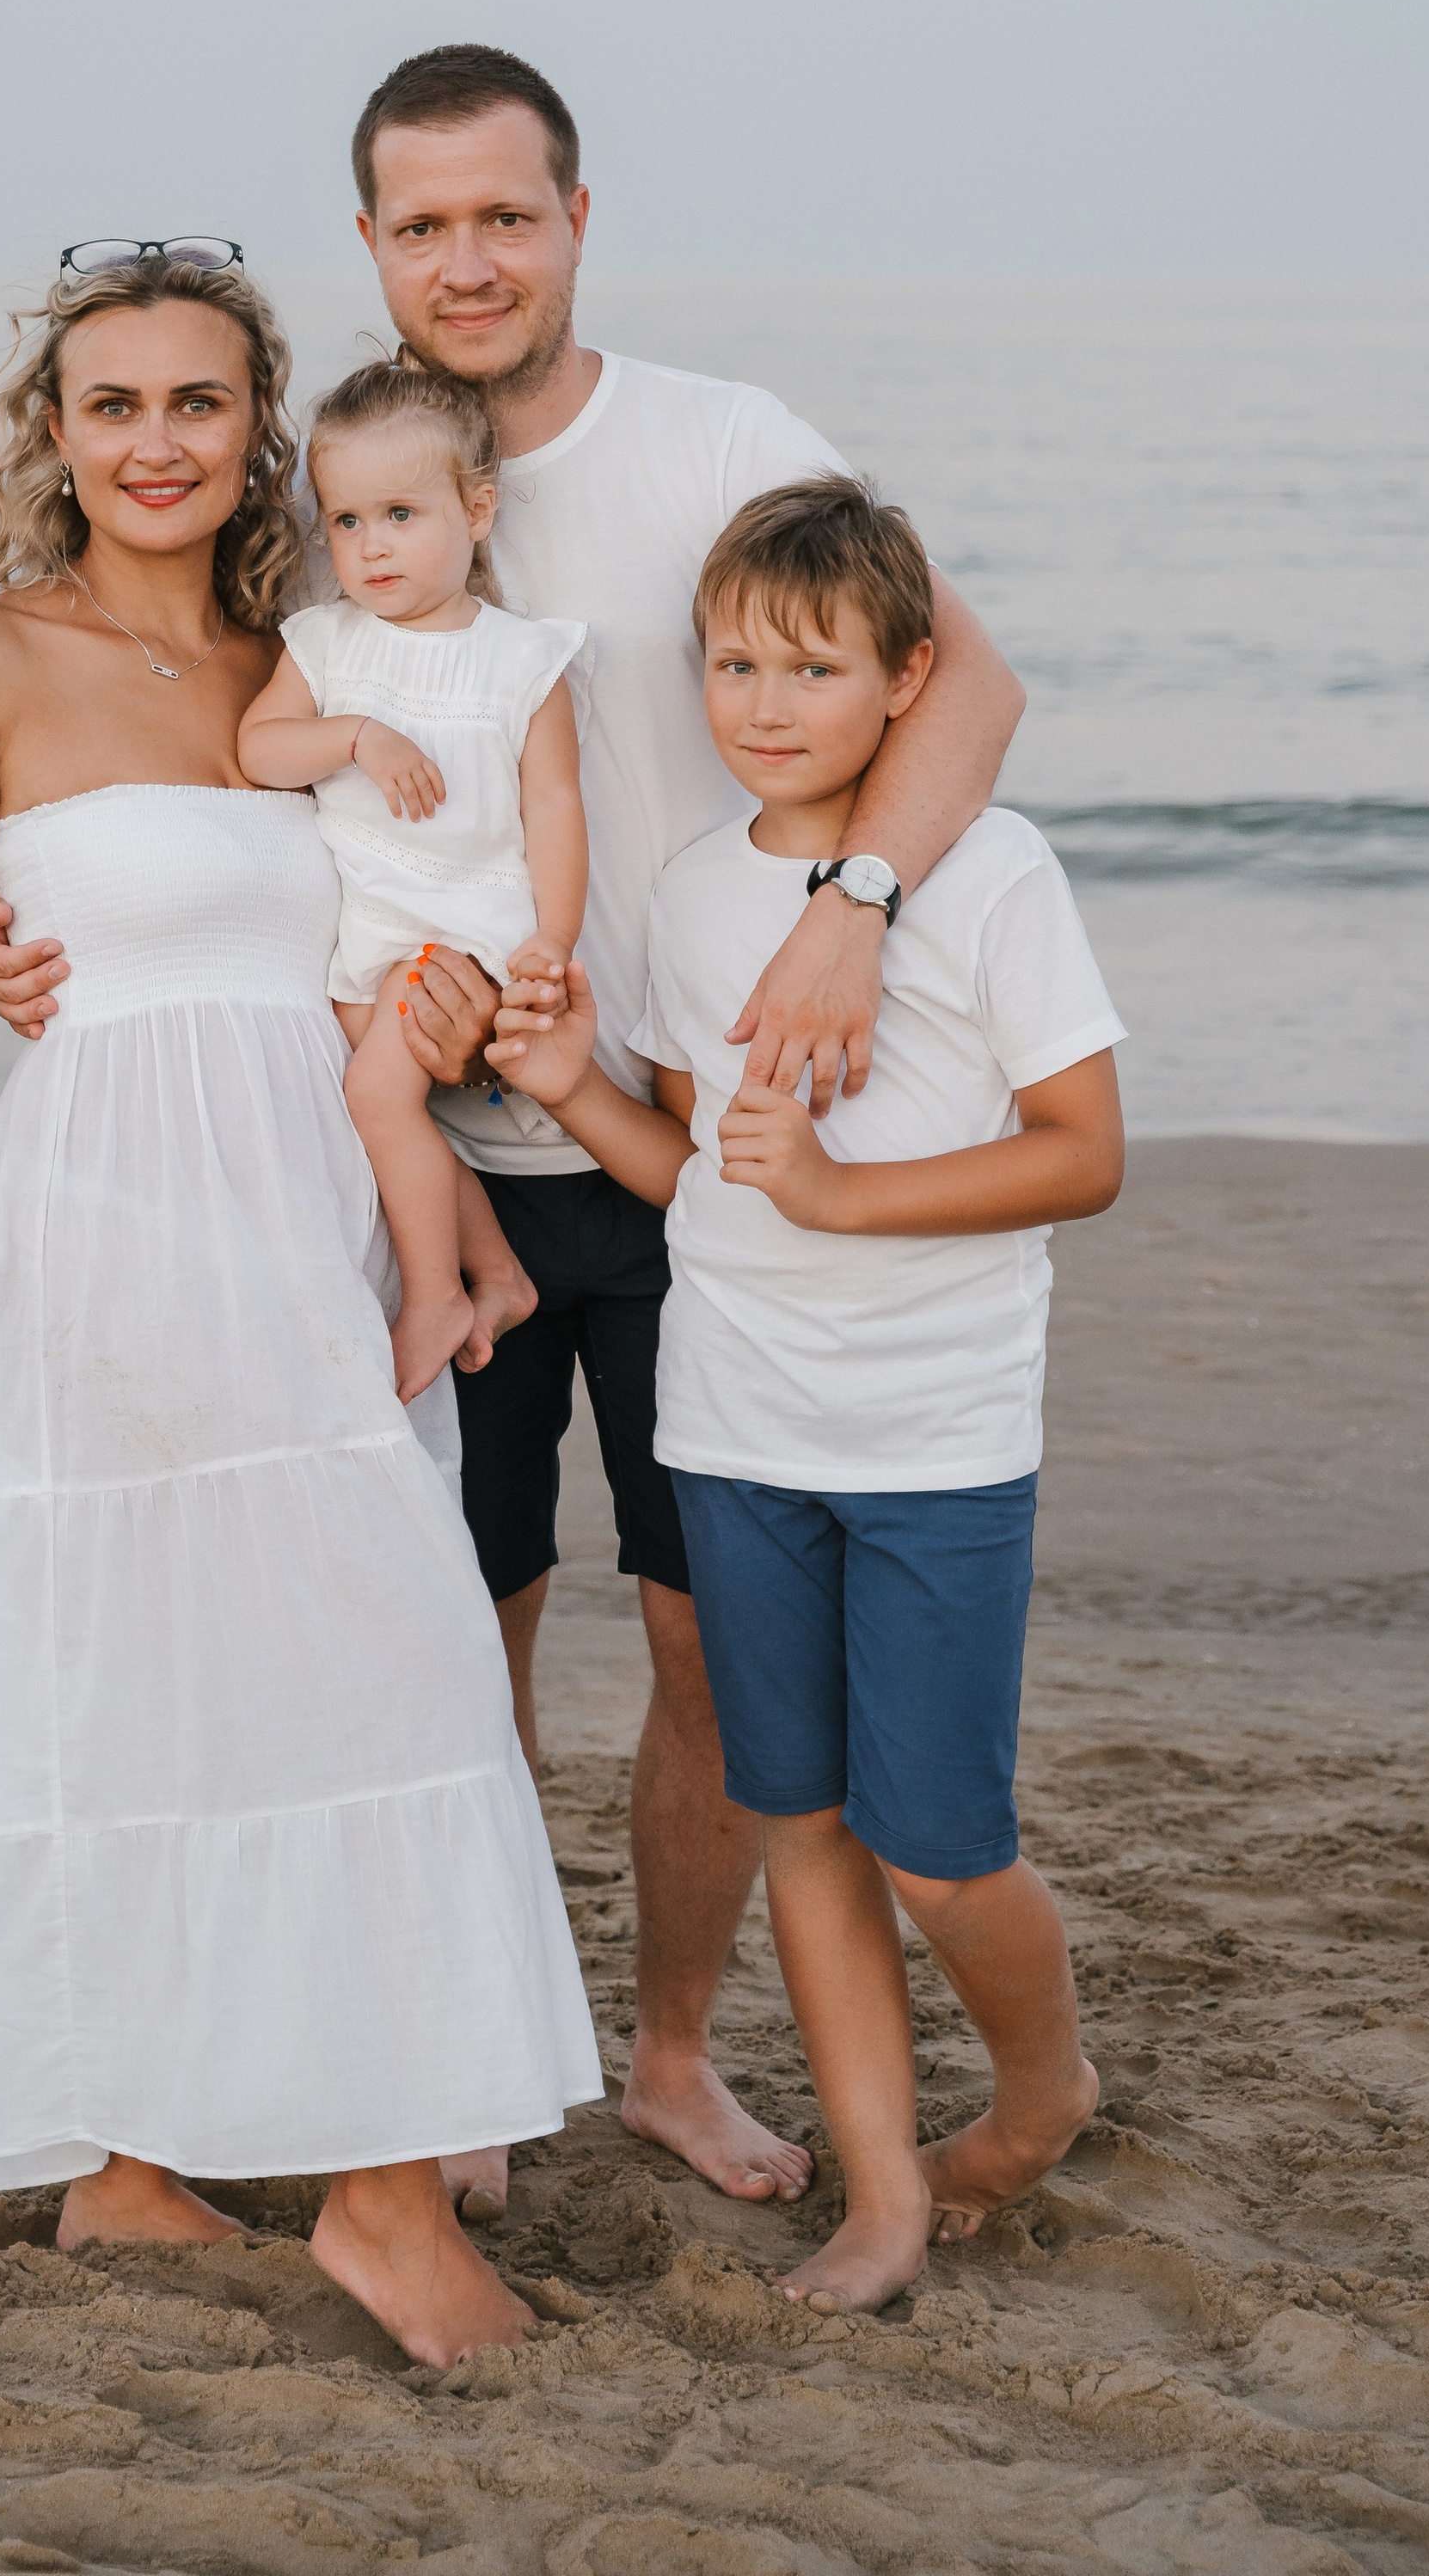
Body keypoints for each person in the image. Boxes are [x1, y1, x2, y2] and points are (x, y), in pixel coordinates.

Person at [0, 45, 1027, 2220]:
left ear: (573, 219)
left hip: (670, 1154)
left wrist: (851, 910)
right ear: (369, 244)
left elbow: (967, 687)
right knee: (443, 1625)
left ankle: (664, 2057)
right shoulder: (323, 490)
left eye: (505, 217)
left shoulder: (720, 444)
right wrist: (35, 922)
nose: (468, 261)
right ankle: (447, 2063)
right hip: (401, 1161)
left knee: (698, 1643)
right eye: (423, 225)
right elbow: (180, 733)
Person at [0, 244, 601, 2369]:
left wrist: (462, 1109)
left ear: (255, 426)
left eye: (195, 401)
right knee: (229, 1663)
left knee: (288, 1663)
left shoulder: (309, 658)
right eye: (113, 403)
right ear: (55, 432)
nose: (153, 441)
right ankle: (309, 2191)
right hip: (107, 1225)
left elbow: (380, 943)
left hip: (312, 1213)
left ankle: (184, 2166)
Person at [488, 475, 1124, 2309]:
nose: (762, 707)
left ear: (908, 679)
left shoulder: (990, 874)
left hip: (933, 1446)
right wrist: (569, 1085)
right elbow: (699, 1169)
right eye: (732, 665)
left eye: (812, 668)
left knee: (940, 1848)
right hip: (733, 1434)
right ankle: (883, 2194)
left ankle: (1039, 2090)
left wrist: (844, 1196)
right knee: (802, 1826)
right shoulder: (696, 895)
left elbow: (1082, 1154)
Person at [238, 358, 587, 1405]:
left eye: (400, 514)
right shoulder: (326, 645)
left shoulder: (518, 660)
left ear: (476, 511)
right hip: (369, 931)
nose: (372, 545)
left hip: (459, 927)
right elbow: (259, 749)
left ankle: (436, 1294)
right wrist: (353, 734)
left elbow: (553, 807)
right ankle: (499, 1272)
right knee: (391, 1107)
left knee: (376, 1095)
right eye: (347, 521)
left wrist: (552, 940)